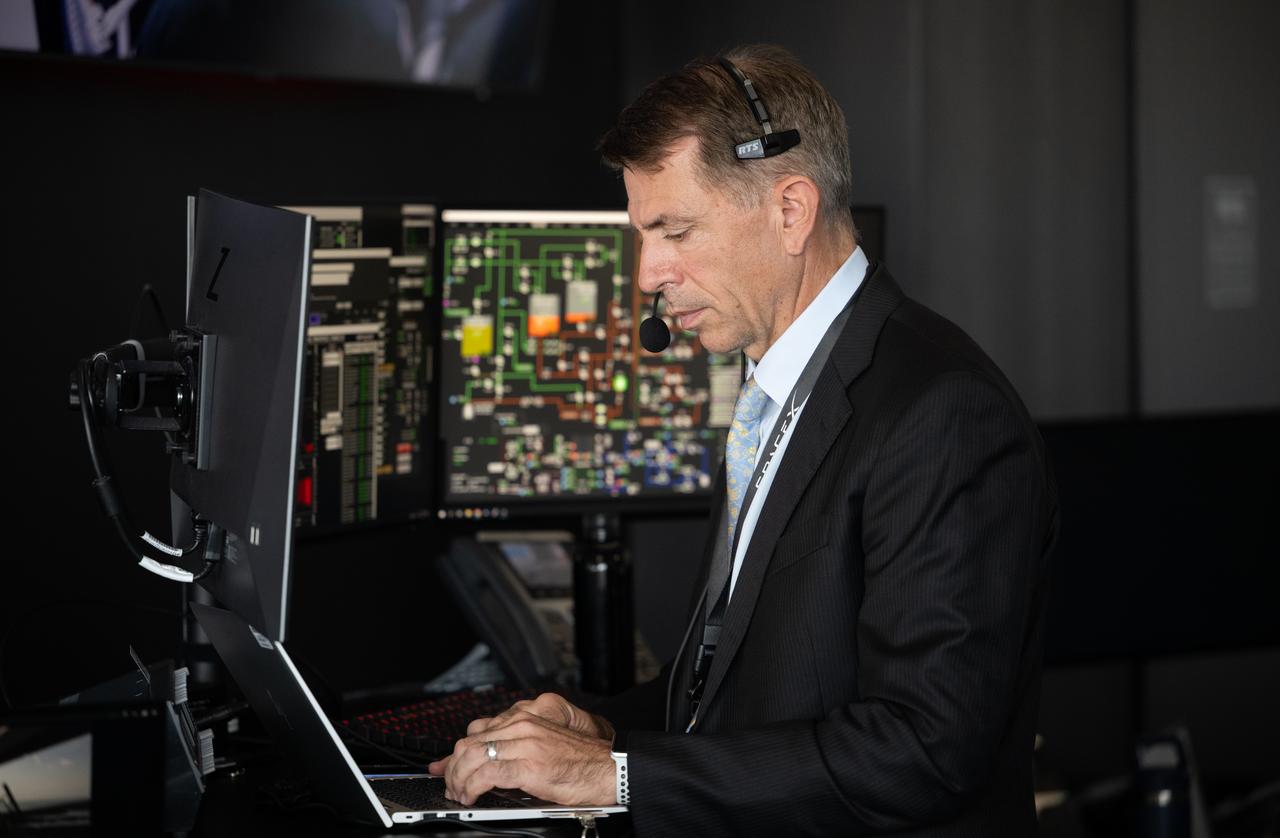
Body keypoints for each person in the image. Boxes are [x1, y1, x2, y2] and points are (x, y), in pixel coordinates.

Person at [429, 44, 1058, 836]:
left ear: (790, 211)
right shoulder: (775, 391)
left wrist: (616, 776)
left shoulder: (942, 414)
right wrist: (597, 730)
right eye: (643, 233)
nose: (647, 272)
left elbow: (921, 751)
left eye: (676, 230)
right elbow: (735, 697)